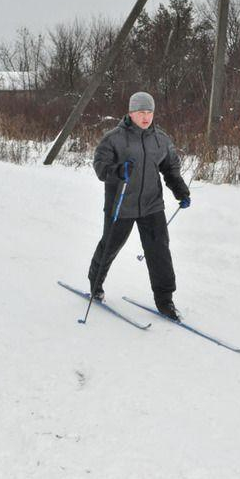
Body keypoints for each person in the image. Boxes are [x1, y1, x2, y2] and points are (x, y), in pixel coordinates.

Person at [88, 91, 190, 321]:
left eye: (149, 112)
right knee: (110, 246)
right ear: (131, 113)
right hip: (121, 205)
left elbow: (170, 169)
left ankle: (165, 301)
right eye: (141, 112)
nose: (146, 117)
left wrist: (180, 190)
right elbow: (100, 167)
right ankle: (95, 284)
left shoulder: (160, 140)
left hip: (152, 205)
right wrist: (118, 171)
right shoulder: (114, 139)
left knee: (159, 252)